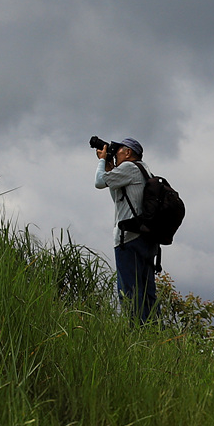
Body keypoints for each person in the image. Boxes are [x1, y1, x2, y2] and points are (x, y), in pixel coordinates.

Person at [94, 136, 158, 319]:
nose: (116, 154)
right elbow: (119, 200)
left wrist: (101, 161)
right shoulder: (143, 169)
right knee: (147, 292)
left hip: (128, 238)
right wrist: (110, 169)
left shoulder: (129, 167)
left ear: (128, 152)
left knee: (129, 291)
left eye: (119, 151)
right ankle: (153, 329)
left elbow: (99, 182)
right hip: (146, 238)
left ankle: (135, 329)